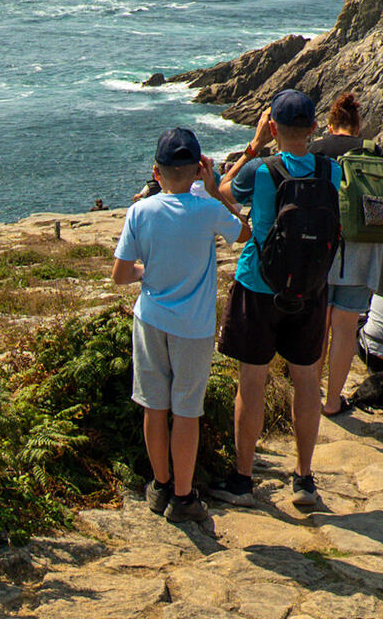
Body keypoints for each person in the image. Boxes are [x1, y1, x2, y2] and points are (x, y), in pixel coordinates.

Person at [211, 91, 341, 510]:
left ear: (273, 128)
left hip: (259, 284)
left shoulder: (261, 169)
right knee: (306, 382)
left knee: (252, 382)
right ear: (314, 128)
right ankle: (303, 479)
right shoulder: (331, 170)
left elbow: (225, 189)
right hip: (311, 288)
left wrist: (253, 146)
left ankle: (243, 480)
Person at [112, 127, 248, 522]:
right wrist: (216, 187)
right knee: (187, 410)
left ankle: (160, 486)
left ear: (157, 172)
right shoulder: (207, 210)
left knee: (154, 406)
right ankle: (184, 498)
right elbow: (244, 233)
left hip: (150, 318)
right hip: (194, 326)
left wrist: (146, 271)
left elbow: (121, 274)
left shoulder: (140, 211)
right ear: (197, 169)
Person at [306, 92, 383, 417]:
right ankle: (333, 401)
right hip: (363, 250)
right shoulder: (379, 152)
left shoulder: (316, 150)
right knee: (345, 328)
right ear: (358, 124)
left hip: (321, 248)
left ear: (331, 124)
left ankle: (312, 394)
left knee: (319, 325)